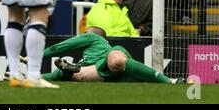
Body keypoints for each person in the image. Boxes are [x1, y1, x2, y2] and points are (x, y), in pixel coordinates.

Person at [30, 27, 182, 83]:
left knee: (115, 61)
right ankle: (68, 71)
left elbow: (59, 47)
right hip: (103, 74)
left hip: (110, 61)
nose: (81, 37)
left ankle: (169, 81)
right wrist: (27, 79)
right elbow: (52, 76)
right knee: (66, 74)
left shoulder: (94, 38)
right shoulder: (85, 59)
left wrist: (36, 56)